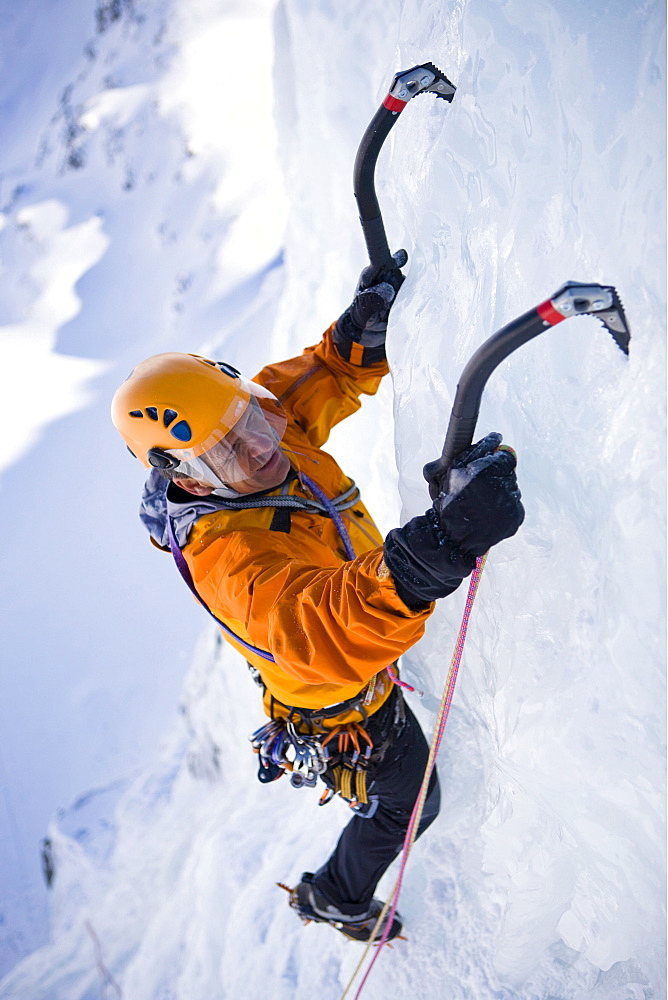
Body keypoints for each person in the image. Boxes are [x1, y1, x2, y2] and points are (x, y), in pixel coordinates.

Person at [111, 253, 524, 942]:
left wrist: (355, 337)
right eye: (227, 453)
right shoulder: (228, 557)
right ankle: (334, 895)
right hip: (337, 699)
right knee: (410, 807)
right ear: (184, 476)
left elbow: (315, 383)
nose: (262, 447)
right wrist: (433, 552)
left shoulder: (248, 428)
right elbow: (321, 630)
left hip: (357, 645)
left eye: (254, 416)